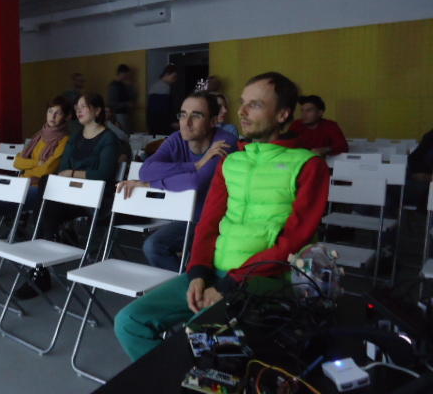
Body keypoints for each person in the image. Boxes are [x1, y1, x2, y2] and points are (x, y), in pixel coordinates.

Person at [114, 72, 330, 361]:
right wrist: (198, 273)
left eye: (255, 105)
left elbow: (294, 241)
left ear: (283, 114)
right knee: (130, 322)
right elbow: (208, 224)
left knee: (197, 339)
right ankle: (183, 378)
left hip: (265, 279)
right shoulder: (232, 161)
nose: (241, 112)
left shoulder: (309, 165)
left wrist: (228, 285)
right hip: (215, 271)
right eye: (242, 103)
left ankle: (193, 375)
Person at [116, 91, 238, 271]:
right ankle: (188, 282)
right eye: (183, 115)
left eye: (196, 116)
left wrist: (151, 184)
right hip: (186, 218)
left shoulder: (224, 142)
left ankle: (194, 280)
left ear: (213, 121)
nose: (186, 123)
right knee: (153, 246)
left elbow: (195, 182)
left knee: (156, 246)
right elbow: (146, 171)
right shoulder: (177, 139)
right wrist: (196, 165)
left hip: (220, 222)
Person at [15, 93, 120, 300]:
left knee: (44, 209)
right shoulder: (77, 137)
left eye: (84, 106)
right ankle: (43, 261)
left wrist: (73, 173)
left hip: (93, 199)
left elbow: (103, 174)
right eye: (77, 107)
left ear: (97, 110)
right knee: (46, 196)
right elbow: (62, 169)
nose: (78, 110)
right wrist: (73, 174)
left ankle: (41, 264)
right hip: (70, 196)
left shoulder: (108, 138)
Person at [0, 97, 72, 280]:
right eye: (50, 111)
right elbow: (17, 162)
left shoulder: (65, 140)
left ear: (66, 117)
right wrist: (35, 163)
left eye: (58, 113)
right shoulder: (39, 136)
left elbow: (47, 169)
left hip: (40, 190)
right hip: (21, 184)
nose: (52, 116)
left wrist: (32, 166)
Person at [404, 128, 433, 211]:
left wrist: (428, 177)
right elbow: (414, 158)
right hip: (421, 178)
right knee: (387, 187)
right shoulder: (430, 136)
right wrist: (417, 174)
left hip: (427, 183)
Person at [147, 64, 178, 135]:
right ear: (167, 74)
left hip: (154, 122)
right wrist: (171, 122)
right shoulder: (164, 87)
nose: (174, 80)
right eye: (173, 77)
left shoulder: (155, 85)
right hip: (161, 123)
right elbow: (164, 109)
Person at [107, 64, 136, 133]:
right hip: (118, 114)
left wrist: (130, 86)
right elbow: (111, 103)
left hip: (125, 113)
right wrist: (126, 104)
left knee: (127, 132)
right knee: (123, 133)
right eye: (126, 74)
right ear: (121, 73)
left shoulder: (124, 85)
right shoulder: (114, 85)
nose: (128, 76)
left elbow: (131, 97)